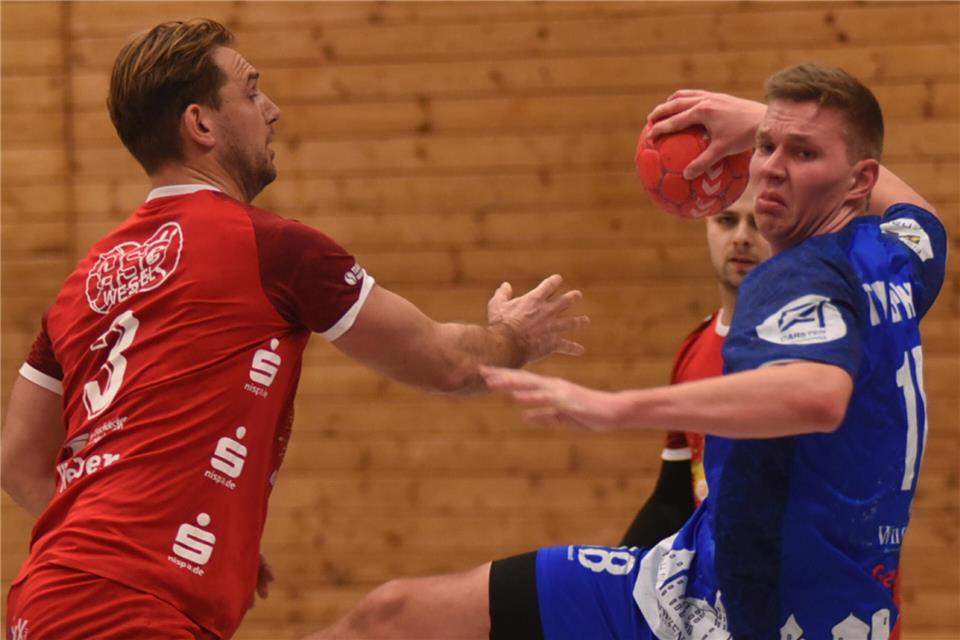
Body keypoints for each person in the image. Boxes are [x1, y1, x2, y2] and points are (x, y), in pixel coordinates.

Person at [308, 64, 946, 640]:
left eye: (802, 153)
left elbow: (815, 394)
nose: (772, 168)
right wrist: (759, 118)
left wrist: (616, 406)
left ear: (857, 180)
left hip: (753, 615)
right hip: (701, 582)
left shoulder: (791, 279)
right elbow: (920, 211)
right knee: (394, 615)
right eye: (766, 148)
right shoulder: (895, 254)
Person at [1, 19, 588, 640]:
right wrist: (515, 336)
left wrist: (160, 534)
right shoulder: (270, 250)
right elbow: (445, 362)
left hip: (45, 599)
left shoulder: (84, 281)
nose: (271, 110)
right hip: (130, 613)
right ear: (201, 124)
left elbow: (18, 463)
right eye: (251, 91)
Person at [620, 182, 772, 549]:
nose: (741, 238)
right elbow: (673, 498)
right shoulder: (695, 347)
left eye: (758, 223)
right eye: (726, 220)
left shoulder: (811, 344)